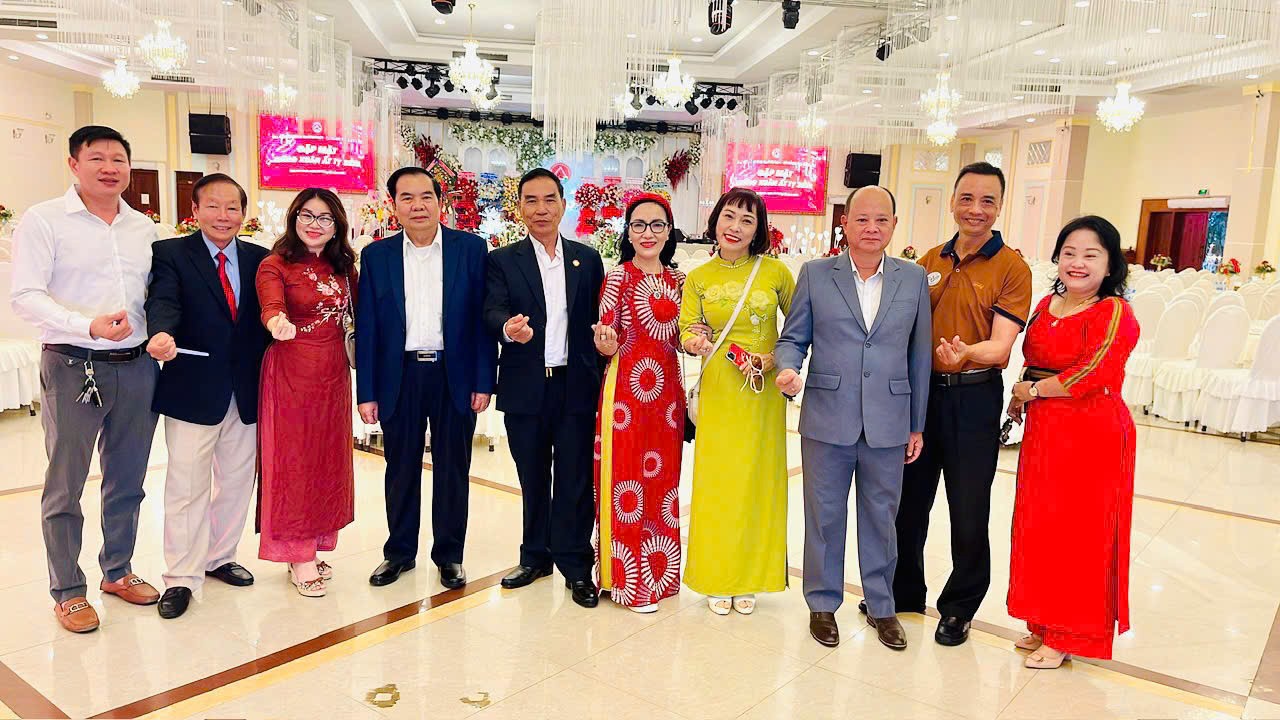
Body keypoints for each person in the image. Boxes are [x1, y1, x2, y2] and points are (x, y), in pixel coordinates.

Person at [10, 126, 161, 633]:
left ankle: (117, 570)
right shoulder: (45, 220)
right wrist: (85, 325)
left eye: (119, 158)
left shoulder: (144, 227)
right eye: (97, 158)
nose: (110, 168)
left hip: (137, 366)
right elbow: (25, 295)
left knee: (128, 479)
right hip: (73, 363)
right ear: (74, 164)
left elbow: (156, 295)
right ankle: (68, 590)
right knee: (66, 483)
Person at [775, 186, 932, 649]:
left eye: (881, 220)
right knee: (824, 515)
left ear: (894, 225)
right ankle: (822, 604)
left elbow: (919, 355)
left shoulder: (913, 278)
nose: (871, 228)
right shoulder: (816, 274)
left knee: (882, 516)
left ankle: (882, 606)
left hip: (890, 418)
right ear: (845, 223)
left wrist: (916, 423)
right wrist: (788, 368)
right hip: (828, 415)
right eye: (862, 219)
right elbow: (793, 337)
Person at [886, 161, 1032, 646]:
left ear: (1000, 206)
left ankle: (959, 607)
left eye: (987, 200)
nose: (975, 209)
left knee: (968, 508)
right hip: (923, 396)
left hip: (974, 397)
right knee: (909, 502)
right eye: (967, 198)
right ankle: (904, 590)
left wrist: (966, 352)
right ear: (952, 201)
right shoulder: (931, 259)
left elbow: (1002, 344)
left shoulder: (1011, 267)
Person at [1005, 215, 1138, 668]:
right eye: (1069, 253)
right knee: (1039, 525)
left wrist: (1033, 390)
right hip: (1045, 430)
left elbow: (1094, 371)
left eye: (1091, 255)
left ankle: (1068, 633)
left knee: (1077, 533)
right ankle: (1043, 622)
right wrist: (1021, 396)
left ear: (1110, 263)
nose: (1078, 263)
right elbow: (1035, 359)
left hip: (1091, 432)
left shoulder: (1113, 311)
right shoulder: (1047, 304)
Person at [357, 167, 496, 590]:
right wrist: (367, 391)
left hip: (454, 374)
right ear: (394, 205)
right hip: (398, 375)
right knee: (400, 468)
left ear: (440, 201)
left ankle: (449, 556)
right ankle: (399, 553)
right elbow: (368, 327)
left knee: (453, 468)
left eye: (425, 196)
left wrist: (483, 380)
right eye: (407, 198)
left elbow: (482, 321)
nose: (417, 205)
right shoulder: (377, 256)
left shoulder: (471, 249)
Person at [145, 174, 271, 619]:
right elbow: (163, 301)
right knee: (186, 486)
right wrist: (161, 332)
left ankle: (219, 556)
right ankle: (181, 575)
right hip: (193, 386)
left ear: (244, 213)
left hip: (247, 388)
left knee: (237, 480)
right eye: (213, 206)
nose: (223, 215)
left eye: (232, 207)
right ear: (194, 210)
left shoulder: (260, 258)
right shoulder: (171, 253)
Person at [484, 168, 606, 609]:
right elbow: (491, 310)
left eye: (549, 199)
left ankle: (576, 565)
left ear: (563, 204)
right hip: (526, 386)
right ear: (519, 208)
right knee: (532, 477)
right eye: (531, 200)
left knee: (574, 480)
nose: (541, 209)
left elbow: (597, 318)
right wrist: (507, 328)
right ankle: (535, 557)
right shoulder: (502, 260)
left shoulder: (587, 259)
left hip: (576, 386)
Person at [678, 187, 795, 616]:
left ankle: (750, 577)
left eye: (747, 220)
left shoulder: (776, 272)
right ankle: (717, 575)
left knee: (758, 483)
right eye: (729, 216)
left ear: (758, 229)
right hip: (720, 391)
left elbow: (799, 328)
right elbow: (687, 327)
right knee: (718, 484)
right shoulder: (698, 277)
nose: (736, 227)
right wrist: (694, 341)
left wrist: (772, 359)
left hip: (761, 394)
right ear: (716, 220)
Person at [255, 188, 357, 598]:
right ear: (294, 218)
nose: (315, 224)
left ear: (337, 226)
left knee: (325, 460)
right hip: (291, 373)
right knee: (294, 461)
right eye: (307, 215)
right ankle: (298, 556)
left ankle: (312, 543)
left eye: (325, 218)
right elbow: (271, 305)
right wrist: (276, 322)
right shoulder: (275, 264)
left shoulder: (344, 267)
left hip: (333, 373)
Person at [591, 193, 686, 613]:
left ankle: (660, 575)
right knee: (625, 483)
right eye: (639, 225)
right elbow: (605, 334)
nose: (648, 233)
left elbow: (684, 336)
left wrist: (697, 338)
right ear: (628, 233)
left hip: (667, 398)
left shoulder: (680, 281)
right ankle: (627, 582)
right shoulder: (619, 277)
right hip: (625, 395)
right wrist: (605, 342)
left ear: (669, 232)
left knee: (663, 485)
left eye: (657, 224)